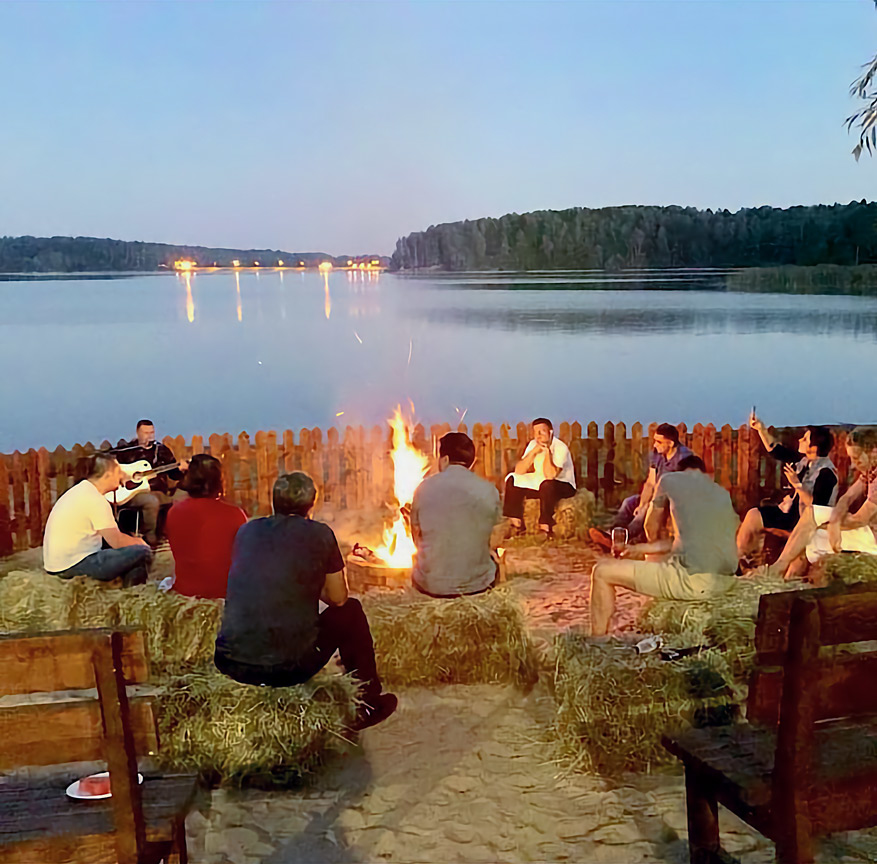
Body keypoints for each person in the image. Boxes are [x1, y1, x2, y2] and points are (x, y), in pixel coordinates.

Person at [214, 472, 397, 731]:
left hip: (230, 661)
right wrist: (310, 582)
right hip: (286, 667)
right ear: (311, 505)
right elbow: (338, 598)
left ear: (274, 501)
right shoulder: (320, 534)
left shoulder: (247, 530)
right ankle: (367, 703)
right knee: (351, 611)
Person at [590, 455, 739, 636]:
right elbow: (680, 542)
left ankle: (597, 641)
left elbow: (650, 527)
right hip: (726, 582)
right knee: (664, 559)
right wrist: (636, 549)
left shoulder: (669, 480)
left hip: (694, 583)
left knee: (601, 572)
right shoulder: (721, 493)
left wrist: (651, 558)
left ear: (679, 471)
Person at [769, 426, 877, 577]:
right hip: (868, 532)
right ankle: (785, 580)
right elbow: (846, 498)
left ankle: (779, 572)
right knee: (810, 532)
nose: (853, 464)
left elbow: (860, 519)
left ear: (873, 451)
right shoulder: (871, 471)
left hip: (873, 538)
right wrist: (834, 523)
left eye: (857, 458)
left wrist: (833, 525)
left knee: (812, 521)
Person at [410, 432, 503, 597]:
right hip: (477, 585)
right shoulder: (489, 490)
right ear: (471, 462)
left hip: (431, 585)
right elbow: (495, 538)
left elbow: (416, 536)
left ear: (444, 459)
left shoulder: (423, 488)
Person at [736, 414, 837, 564]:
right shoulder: (804, 461)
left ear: (813, 448)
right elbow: (776, 451)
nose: (799, 440)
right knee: (753, 515)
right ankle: (741, 560)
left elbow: (817, 507)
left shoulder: (826, 473)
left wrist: (797, 485)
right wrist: (760, 429)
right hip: (790, 513)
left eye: (804, 439)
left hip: (807, 523)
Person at [43, 452, 153, 588]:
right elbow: (117, 542)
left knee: (131, 551)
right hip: (73, 565)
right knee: (142, 552)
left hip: (59, 563)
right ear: (107, 475)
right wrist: (140, 543)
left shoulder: (82, 490)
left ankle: (127, 588)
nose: (122, 476)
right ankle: (132, 594)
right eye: (118, 472)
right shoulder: (95, 500)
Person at [590, 423, 692, 550]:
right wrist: (642, 502)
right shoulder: (657, 454)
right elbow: (650, 482)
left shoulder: (684, 459)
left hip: (673, 500)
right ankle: (614, 535)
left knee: (646, 510)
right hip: (656, 496)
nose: (655, 445)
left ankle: (625, 539)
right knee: (629, 503)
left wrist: (649, 504)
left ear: (670, 444)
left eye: (659, 442)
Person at [165, 454, 247, 599]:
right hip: (225, 591)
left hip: (186, 591)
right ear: (219, 481)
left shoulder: (174, 512)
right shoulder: (235, 515)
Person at [112, 419, 189, 547]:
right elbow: (113, 468)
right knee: (151, 500)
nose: (149, 436)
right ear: (138, 433)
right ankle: (150, 537)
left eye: (152, 432)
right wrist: (125, 476)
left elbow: (174, 474)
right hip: (131, 493)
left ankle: (173, 534)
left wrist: (181, 470)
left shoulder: (162, 451)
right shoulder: (126, 451)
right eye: (146, 433)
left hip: (158, 490)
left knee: (180, 497)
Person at [503, 418, 576, 537]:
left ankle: (545, 526)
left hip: (562, 484)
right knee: (512, 478)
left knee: (547, 485)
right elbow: (519, 470)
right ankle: (516, 523)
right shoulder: (533, 444)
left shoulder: (560, 447)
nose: (538, 435)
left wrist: (547, 452)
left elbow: (551, 475)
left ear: (550, 432)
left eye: (542, 431)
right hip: (540, 481)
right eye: (535, 432)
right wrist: (533, 452)